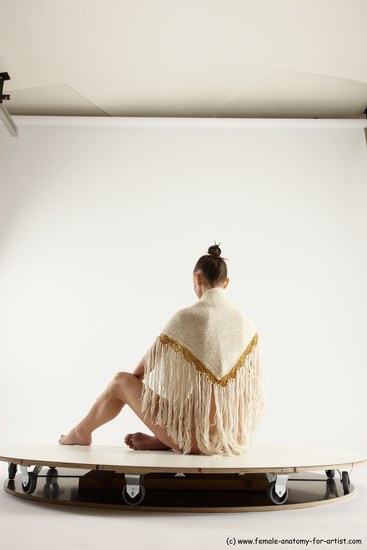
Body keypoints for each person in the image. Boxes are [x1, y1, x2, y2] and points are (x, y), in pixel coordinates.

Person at [59, 243, 265, 456]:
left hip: (198, 441)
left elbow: (140, 371)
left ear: (197, 278)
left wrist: (109, 396)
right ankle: (164, 439)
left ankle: (80, 432)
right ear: (227, 283)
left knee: (120, 381)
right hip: (235, 439)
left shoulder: (188, 317)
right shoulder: (247, 324)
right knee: (204, 386)